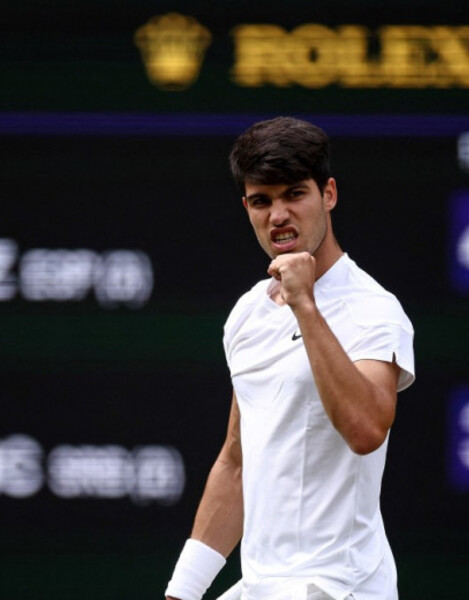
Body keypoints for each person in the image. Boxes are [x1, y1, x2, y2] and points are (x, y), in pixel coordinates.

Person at [164, 117, 415, 600]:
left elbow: (366, 431)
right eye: (262, 201)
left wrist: (304, 304)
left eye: (294, 195)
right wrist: (183, 592)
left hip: (341, 587)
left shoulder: (374, 309)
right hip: (260, 587)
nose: (278, 214)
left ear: (329, 195)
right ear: (247, 208)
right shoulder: (246, 315)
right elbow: (236, 462)